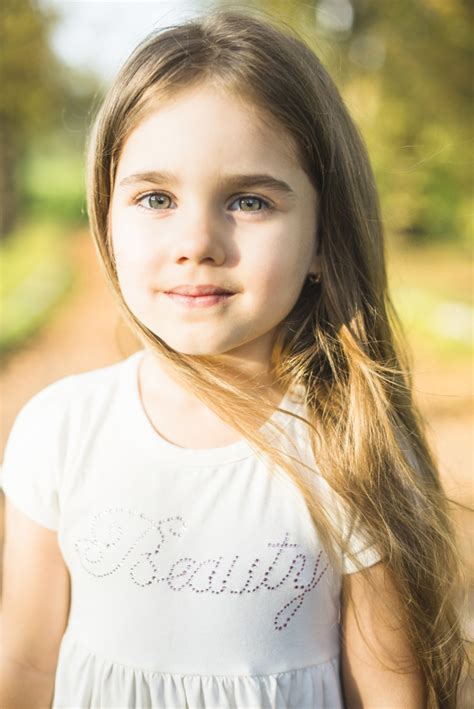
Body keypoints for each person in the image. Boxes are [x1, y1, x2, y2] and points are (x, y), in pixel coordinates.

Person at [0, 9, 467, 709]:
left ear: (321, 240)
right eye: (155, 197)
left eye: (248, 200)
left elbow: (393, 693)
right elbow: (28, 668)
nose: (198, 240)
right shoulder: (59, 431)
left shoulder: (348, 447)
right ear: (106, 213)